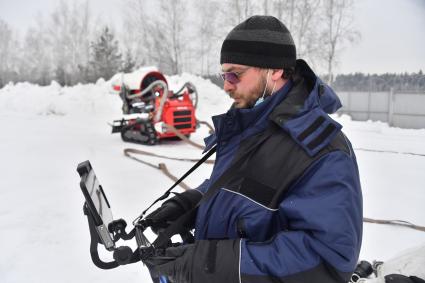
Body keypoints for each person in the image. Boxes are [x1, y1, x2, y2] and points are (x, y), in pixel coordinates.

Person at [145, 15, 363, 283]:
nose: (226, 85)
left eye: (235, 74)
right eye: (223, 74)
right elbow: (243, 190)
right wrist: (191, 203)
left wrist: (207, 264)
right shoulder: (250, 123)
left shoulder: (322, 150)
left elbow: (328, 260)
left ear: (275, 71)